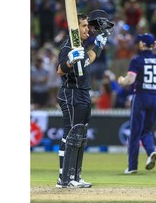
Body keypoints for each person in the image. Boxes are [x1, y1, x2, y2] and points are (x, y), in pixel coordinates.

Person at [55, 10, 114, 188]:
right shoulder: (68, 47)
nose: (88, 29)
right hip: (71, 92)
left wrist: (99, 43)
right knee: (71, 135)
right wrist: (69, 62)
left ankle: (75, 176)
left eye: (88, 25)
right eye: (84, 25)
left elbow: (89, 58)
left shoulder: (80, 47)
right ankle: (63, 178)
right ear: (75, 28)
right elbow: (60, 70)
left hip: (82, 93)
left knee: (79, 136)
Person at [117, 33, 156, 174]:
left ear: (142, 45)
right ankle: (151, 152)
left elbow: (131, 79)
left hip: (141, 97)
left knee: (135, 132)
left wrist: (121, 80)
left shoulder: (137, 60)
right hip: (155, 99)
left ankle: (132, 166)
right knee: (146, 131)